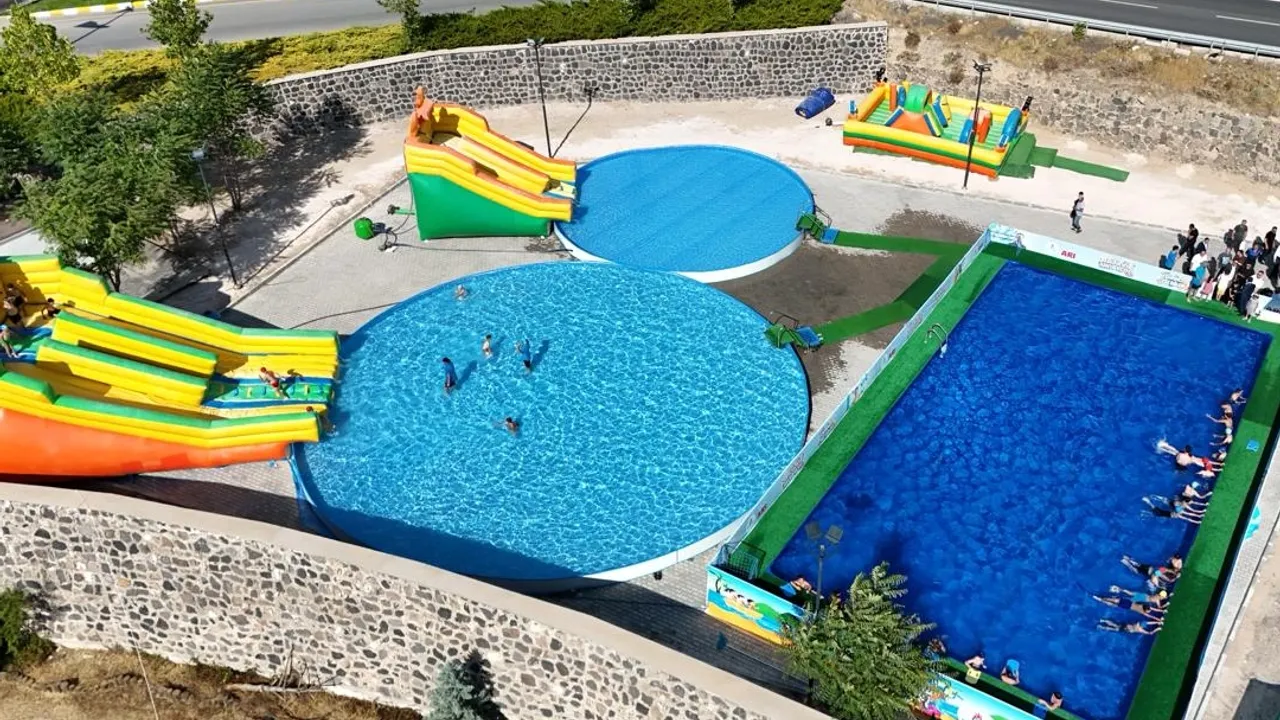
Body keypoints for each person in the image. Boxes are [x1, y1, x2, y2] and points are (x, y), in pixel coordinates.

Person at [1098, 619, 1162, 635]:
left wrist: (1157, 623)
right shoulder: (1140, 629)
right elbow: (1150, 633)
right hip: (1126, 628)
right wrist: (1157, 628)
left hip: (1125, 626)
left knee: (1114, 625)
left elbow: (1148, 623)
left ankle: (1103, 621)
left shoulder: (1138, 624)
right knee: (1113, 628)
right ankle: (1101, 626)